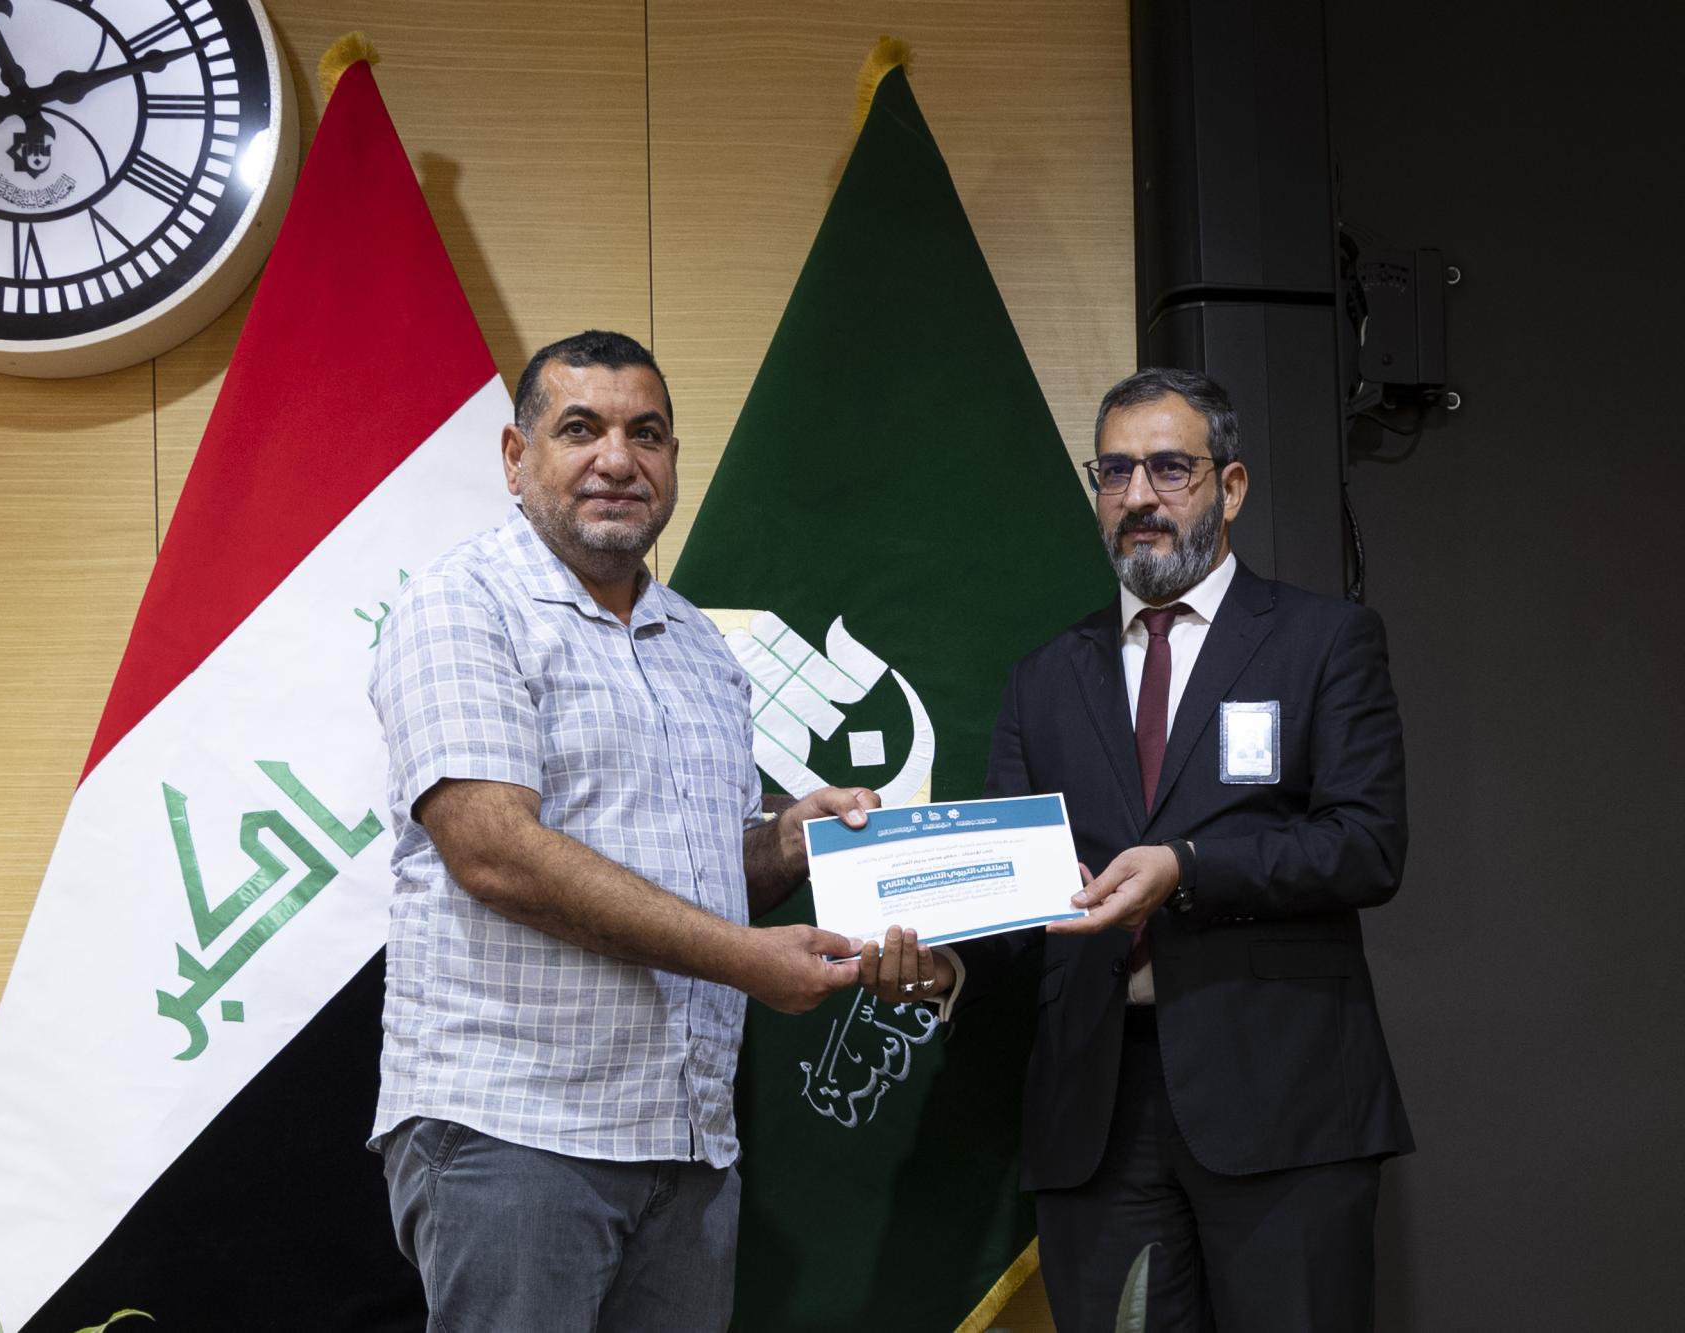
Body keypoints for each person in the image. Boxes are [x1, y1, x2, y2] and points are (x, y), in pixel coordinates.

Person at [862, 367, 1413, 1332]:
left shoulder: (1325, 641)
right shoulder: (1042, 679)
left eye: (1168, 468)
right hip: (1096, 1114)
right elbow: (1016, 896)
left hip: (1284, 1099)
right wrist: (950, 965)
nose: (1139, 496)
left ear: (1229, 487)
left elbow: (1367, 845)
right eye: (1114, 472)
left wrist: (1185, 870)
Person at [367, 329, 877, 1332]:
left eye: (645, 434)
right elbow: (495, 853)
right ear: (515, 457)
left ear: (672, 460)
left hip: (686, 1142)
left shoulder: (698, 645)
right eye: (579, 429)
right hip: (516, 1131)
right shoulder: (462, 604)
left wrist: (786, 843)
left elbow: (701, 869)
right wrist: (744, 958)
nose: (617, 459)